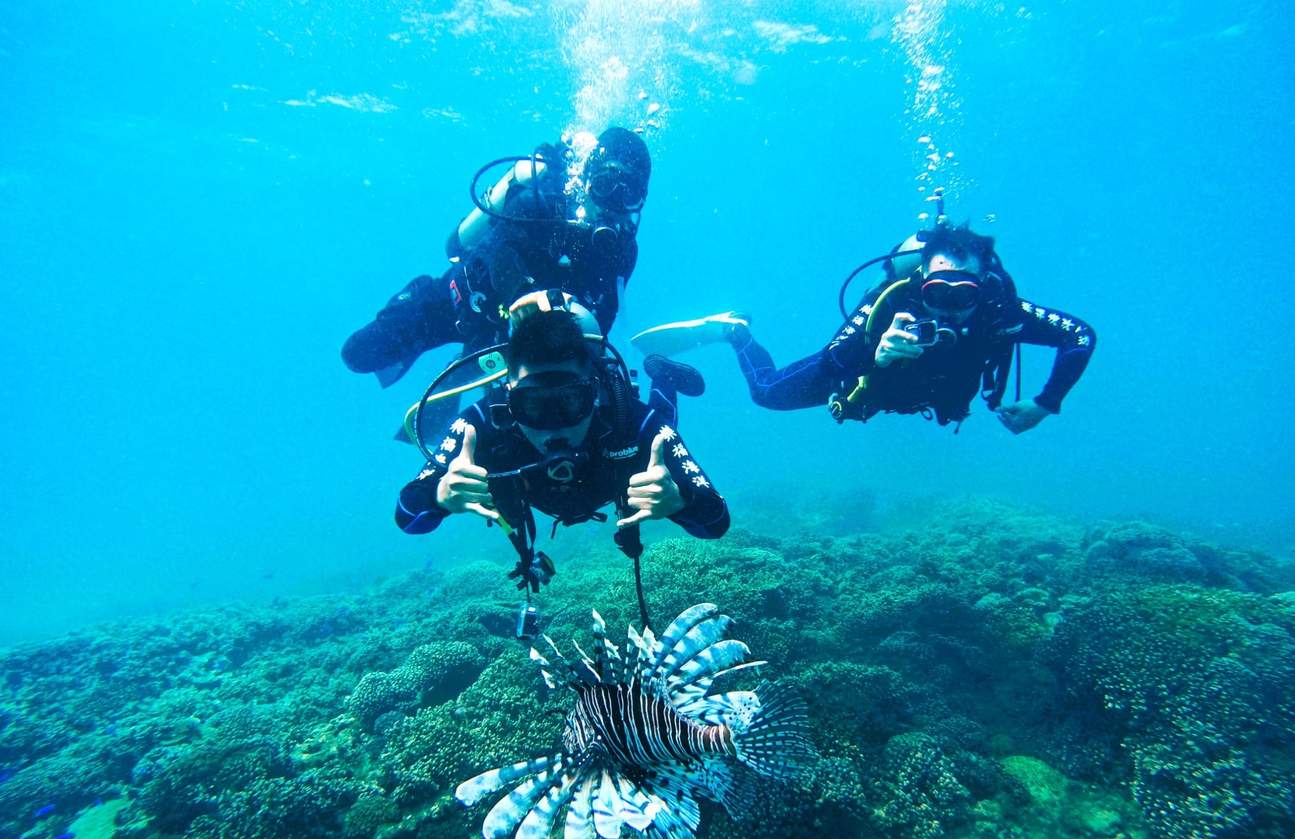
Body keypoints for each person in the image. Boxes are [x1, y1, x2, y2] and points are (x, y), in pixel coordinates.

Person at [631, 221, 1095, 433]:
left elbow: (1079, 336)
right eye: (939, 293)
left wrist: (1045, 403)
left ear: (983, 285)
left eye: (964, 295)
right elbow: (834, 359)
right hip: (871, 380)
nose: (950, 308)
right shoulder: (894, 301)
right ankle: (735, 333)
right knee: (766, 393)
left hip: (924, 397)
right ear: (921, 283)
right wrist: (878, 350)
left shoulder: (1000, 311)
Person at [395, 295, 729, 590]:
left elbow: (717, 522)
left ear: (594, 393)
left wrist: (680, 500)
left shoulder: (630, 422)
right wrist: (439, 496)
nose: (554, 428)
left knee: (664, 419)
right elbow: (407, 515)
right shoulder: (479, 426)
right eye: (533, 405)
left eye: (571, 401)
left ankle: (663, 376)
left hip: (631, 422)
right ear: (508, 394)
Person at [343, 127, 651, 389]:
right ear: (588, 176)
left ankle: (467, 364)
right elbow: (503, 258)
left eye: (629, 193)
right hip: (457, 305)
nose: (613, 202)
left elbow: (606, 310)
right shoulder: (539, 204)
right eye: (607, 184)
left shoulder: (622, 251)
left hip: (512, 343)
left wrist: (594, 359)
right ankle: (440, 326)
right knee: (359, 354)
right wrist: (528, 309)